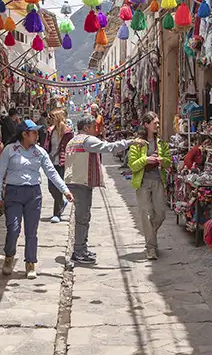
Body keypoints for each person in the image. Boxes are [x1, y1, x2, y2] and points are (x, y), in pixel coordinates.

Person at [0, 120, 74, 279]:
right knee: (13, 228)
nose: (38, 135)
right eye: (34, 132)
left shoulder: (40, 152)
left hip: (33, 195)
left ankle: (30, 262)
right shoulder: (10, 150)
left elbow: (51, 172)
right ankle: (9, 256)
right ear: (25, 134)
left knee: (31, 232)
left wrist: (64, 190)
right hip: (13, 194)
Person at [64, 115, 142, 264]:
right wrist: (130, 142)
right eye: (94, 126)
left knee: (83, 217)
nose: (96, 129)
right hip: (81, 183)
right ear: (86, 128)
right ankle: (79, 251)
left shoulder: (73, 140)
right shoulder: (87, 140)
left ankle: (82, 248)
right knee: (82, 218)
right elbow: (109, 147)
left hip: (75, 181)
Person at [128, 112, 172, 260]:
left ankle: (150, 236)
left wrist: (161, 160)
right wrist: (145, 160)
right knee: (147, 215)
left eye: (158, 123)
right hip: (142, 182)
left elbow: (168, 162)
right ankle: (151, 248)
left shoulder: (161, 143)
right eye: (155, 123)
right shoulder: (137, 144)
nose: (158, 126)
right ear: (146, 125)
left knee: (160, 214)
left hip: (158, 180)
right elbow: (133, 165)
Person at [42, 109, 74, 223]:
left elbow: (71, 147)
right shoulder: (50, 131)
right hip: (51, 161)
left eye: (52, 117)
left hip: (61, 162)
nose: (50, 119)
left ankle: (56, 214)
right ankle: (61, 203)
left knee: (58, 188)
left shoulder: (67, 132)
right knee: (51, 188)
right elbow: (47, 145)